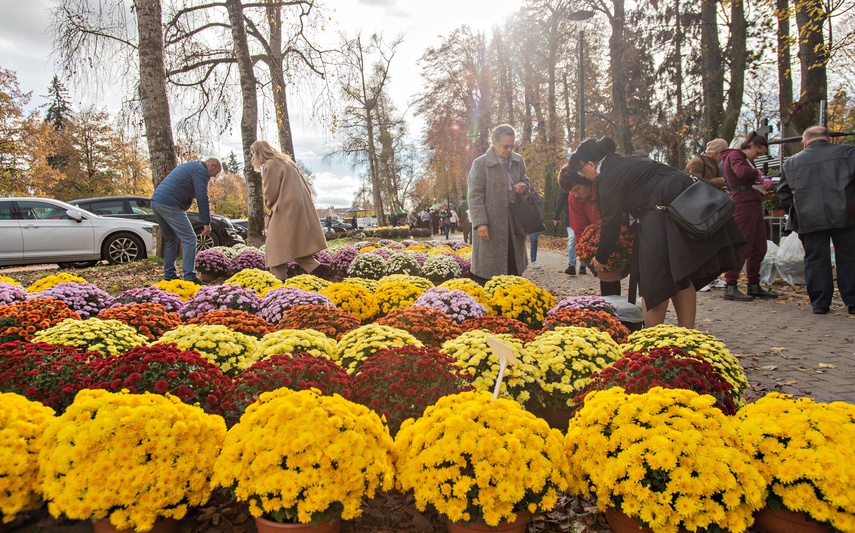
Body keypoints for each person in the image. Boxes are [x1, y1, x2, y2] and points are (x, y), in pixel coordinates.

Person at [568, 137, 744, 328]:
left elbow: (610, 223)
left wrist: (601, 257)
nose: (583, 175)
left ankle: (650, 341)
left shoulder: (607, 176)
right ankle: (687, 335)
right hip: (682, 209)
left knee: (654, 281)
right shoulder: (628, 161)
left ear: (591, 164)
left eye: (580, 169)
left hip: (660, 213)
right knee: (680, 275)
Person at [777, 125, 855, 315]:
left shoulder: (791, 162)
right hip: (847, 214)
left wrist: (798, 208)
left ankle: (820, 303)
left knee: (815, 260)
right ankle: (853, 301)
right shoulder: (849, 153)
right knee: (849, 258)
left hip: (809, 218)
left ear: (805, 142)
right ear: (829, 138)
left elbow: (783, 193)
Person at [250, 140, 328, 281]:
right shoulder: (287, 162)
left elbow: (270, 193)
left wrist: (270, 207)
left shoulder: (270, 165)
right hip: (300, 206)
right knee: (295, 246)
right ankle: (321, 271)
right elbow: (306, 187)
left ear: (258, 153)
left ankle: (277, 286)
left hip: (284, 209)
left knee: (276, 249)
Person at [468, 124, 531, 282]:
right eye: (505, 146)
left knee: (514, 266)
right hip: (491, 225)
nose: (509, 150)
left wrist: (524, 187)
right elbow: (475, 195)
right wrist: (480, 222)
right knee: (490, 272)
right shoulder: (480, 164)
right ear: (493, 143)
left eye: (512, 145)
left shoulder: (518, 160)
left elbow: (526, 181)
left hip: (514, 223)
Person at [720, 132, 777, 301]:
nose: (757, 157)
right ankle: (730, 285)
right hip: (744, 204)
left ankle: (753, 284)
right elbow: (741, 173)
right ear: (751, 145)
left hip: (752, 203)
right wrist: (756, 173)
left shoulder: (742, 158)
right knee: (742, 245)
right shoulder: (735, 155)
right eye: (758, 153)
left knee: (759, 246)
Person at [151, 158, 222, 283]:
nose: (214, 176)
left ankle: (169, 275)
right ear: (211, 165)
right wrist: (206, 222)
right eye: (216, 172)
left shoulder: (192, 166)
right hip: (170, 204)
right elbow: (202, 197)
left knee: (170, 239)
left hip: (156, 202)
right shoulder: (201, 171)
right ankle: (190, 276)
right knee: (190, 238)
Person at [558, 163, 619, 295]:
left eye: (577, 189)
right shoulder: (574, 198)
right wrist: (588, 255)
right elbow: (580, 229)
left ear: (584, 180)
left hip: (618, 232)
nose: (575, 194)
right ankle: (611, 306)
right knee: (606, 276)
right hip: (598, 238)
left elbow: (614, 220)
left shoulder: (603, 189)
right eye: (571, 192)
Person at [552, 175, 583, 275]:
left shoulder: (580, 183)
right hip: (570, 217)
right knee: (572, 239)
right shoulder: (567, 185)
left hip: (583, 216)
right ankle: (571, 265)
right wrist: (556, 216)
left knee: (583, 239)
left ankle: (583, 264)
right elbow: (560, 200)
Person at [527, 187, 543, 269]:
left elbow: (539, 203)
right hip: (521, 218)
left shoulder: (534, 193)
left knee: (534, 239)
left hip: (533, 220)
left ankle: (533, 261)